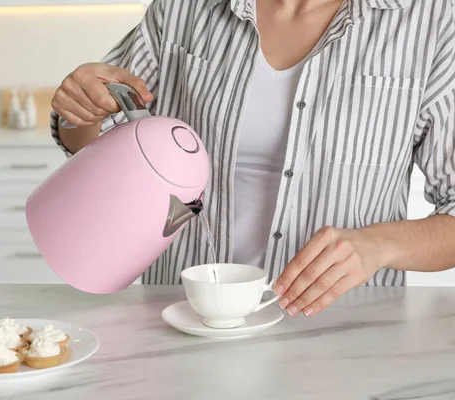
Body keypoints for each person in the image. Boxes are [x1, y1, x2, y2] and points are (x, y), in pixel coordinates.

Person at [50, 0, 455, 317]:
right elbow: (92, 141)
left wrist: (380, 245)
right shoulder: (180, 10)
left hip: (342, 329)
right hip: (181, 313)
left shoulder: (433, 24)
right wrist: (79, 108)